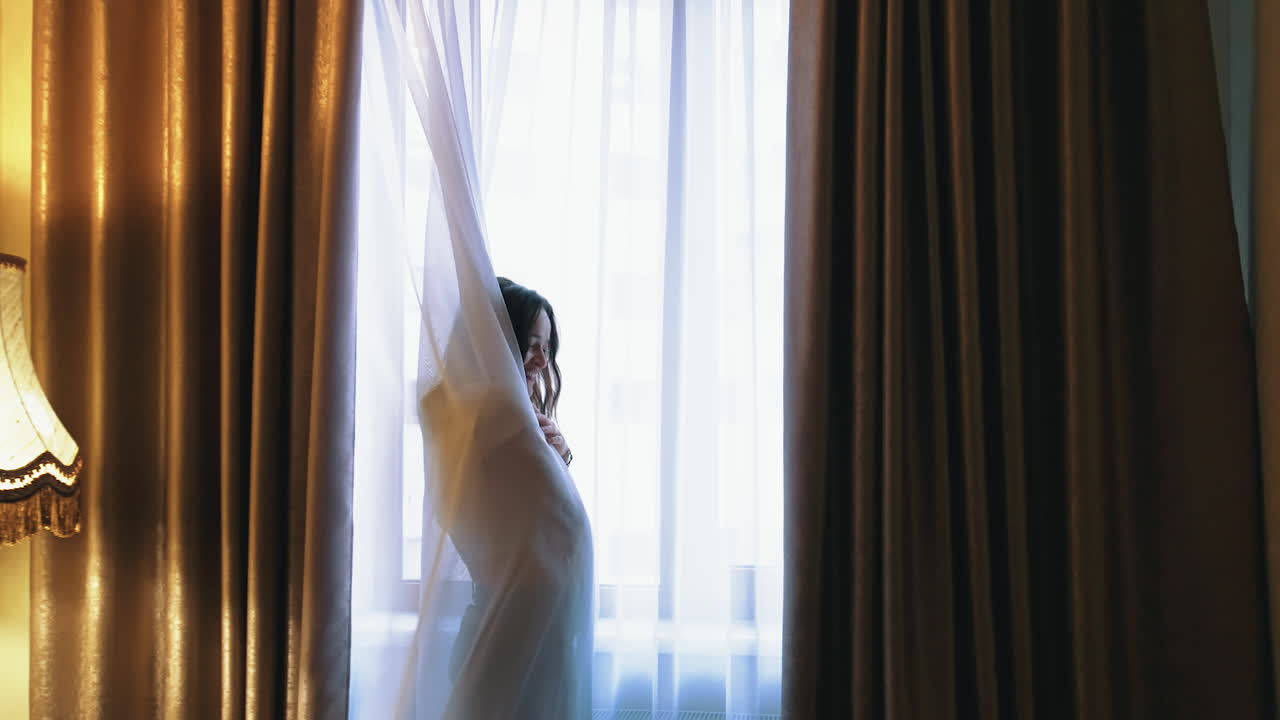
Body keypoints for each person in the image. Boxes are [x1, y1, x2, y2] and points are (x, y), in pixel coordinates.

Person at [423, 276, 592, 719]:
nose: (542, 359)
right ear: (499, 337)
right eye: (531, 343)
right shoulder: (479, 410)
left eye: (547, 346)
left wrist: (561, 455)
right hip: (505, 634)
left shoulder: (512, 416)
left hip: (537, 634)